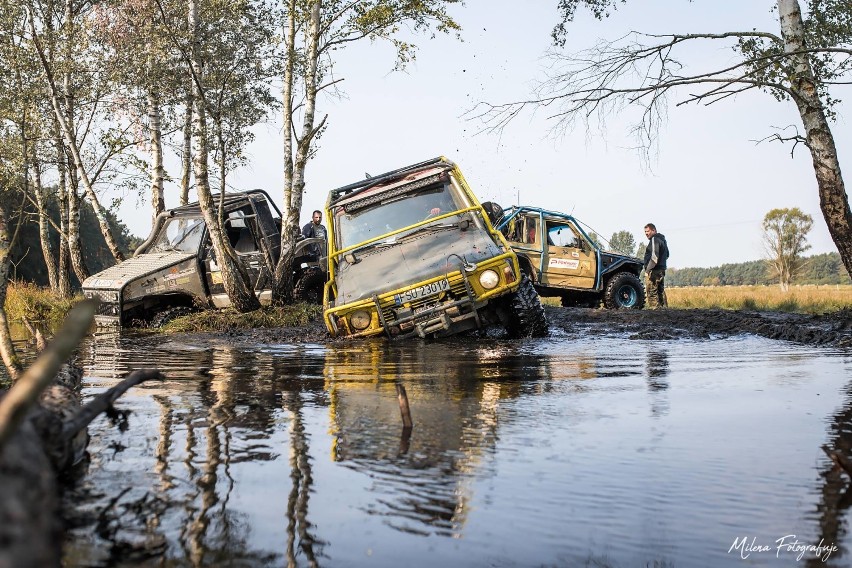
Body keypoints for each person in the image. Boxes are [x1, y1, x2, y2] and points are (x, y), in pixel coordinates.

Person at [643, 223, 669, 308]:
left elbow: (654, 258)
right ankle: (664, 311)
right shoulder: (663, 240)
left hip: (654, 271)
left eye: (648, 231)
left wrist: (647, 270)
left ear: (654, 230)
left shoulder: (654, 239)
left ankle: (655, 314)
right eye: (645, 232)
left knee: (651, 292)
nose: (646, 233)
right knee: (660, 292)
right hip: (661, 270)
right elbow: (667, 254)